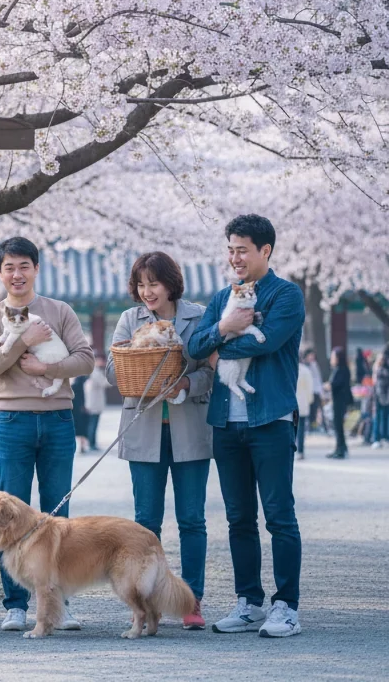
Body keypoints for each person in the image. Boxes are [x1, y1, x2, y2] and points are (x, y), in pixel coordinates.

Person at [187, 214, 304, 638]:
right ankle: (249, 601)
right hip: (226, 423)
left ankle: (287, 606)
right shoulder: (221, 298)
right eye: (230, 249)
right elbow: (194, 346)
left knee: (279, 516)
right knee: (238, 518)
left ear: (265, 251)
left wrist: (219, 345)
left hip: (269, 419)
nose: (235, 257)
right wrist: (223, 327)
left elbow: (269, 340)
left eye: (243, 249)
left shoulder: (286, 295)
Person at [0, 236, 94, 632]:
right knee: (6, 514)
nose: (17, 273)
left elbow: (85, 360)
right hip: (12, 421)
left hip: (58, 418)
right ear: (0, 273)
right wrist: (23, 342)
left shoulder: (59, 311)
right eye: (9, 267)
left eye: (24, 265)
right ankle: (16, 604)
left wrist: (47, 371)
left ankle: (61, 603)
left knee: (59, 514)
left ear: (36, 269)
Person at [105, 251, 212, 629]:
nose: (147, 291)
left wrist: (186, 383)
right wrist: (141, 356)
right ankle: (146, 602)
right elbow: (112, 372)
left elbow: (210, 373)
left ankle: (191, 601)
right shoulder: (129, 320)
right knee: (145, 522)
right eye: (141, 284)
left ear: (171, 283)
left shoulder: (198, 317)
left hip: (191, 430)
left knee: (192, 519)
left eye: (154, 283)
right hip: (144, 429)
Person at [326, 347, 353, 460]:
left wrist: (328, 386)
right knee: (338, 426)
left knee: (338, 426)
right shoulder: (341, 368)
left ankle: (340, 449)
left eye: (333, 357)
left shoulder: (341, 369)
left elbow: (335, 384)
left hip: (340, 401)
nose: (331, 359)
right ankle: (341, 447)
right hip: (339, 400)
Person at [83, 356, 110, 450]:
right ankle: (92, 444)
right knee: (93, 424)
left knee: (92, 424)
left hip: (93, 403)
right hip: (94, 403)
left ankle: (92, 443)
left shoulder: (93, 371)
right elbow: (105, 383)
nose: (103, 362)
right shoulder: (95, 372)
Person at [295, 356, 314, 460]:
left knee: (292, 428)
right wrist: (309, 401)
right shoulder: (306, 371)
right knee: (301, 428)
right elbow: (310, 388)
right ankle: (301, 451)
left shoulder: (290, 368)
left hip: (291, 404)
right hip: (303, 403)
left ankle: (293, 449)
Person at [303, 348, 325, 433]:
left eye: (313, 356)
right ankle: (307, 426)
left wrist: (321, 391)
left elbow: (318, 378)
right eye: (310, 355)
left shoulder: (314, 365)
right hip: (305, 392)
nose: (312, 357)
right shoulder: (302, 365)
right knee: (306, 410)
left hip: (315, 391)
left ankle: (312, 426)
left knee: (314, 409)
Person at [374, 347, 389, 448]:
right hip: (382, 396)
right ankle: (379, 438)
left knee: (381, 417)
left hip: (381, 395)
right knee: (381, 417)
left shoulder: (379, 369)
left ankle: (380, 438)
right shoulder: (382, 370)